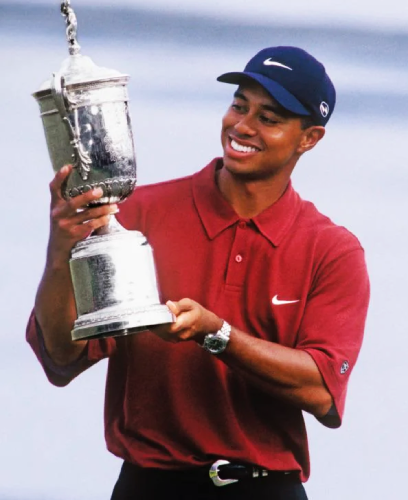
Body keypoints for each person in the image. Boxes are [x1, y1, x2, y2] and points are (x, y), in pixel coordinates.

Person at [26, 46, 370, 500]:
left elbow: (322, 390)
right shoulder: (139, 213)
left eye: (269, 118)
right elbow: (62, 357)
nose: (242, 126)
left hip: (264, 489)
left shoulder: (332, 250)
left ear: (309, 138)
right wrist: (61, 246)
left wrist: (217, 334)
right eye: (238, 106)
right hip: (147, 486)